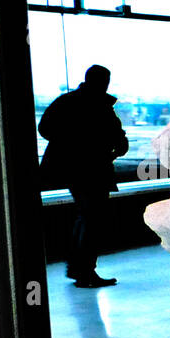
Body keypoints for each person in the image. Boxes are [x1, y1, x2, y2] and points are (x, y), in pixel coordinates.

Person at [37, 65, 127, 288]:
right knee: (93, 218)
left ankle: (80, 268)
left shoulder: (67, 101)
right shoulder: (102, 106)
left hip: (72, 169)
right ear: (104, 82)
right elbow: (118, 137)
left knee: (87, 217)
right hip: (93, 170)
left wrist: (70, 144)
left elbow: (44, 128)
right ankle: (84, 270)